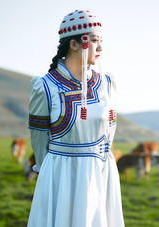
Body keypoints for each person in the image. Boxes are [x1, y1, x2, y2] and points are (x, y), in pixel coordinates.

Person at [27, 10, 125, 227]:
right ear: (74, 44)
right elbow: (39, 141)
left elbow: (109, 133)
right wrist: (51, 171)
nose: (100, 47)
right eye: (94, 41)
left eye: (101, 41)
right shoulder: (45, 86)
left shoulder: (108, 84)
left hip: (101, 171)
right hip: (61, 174)